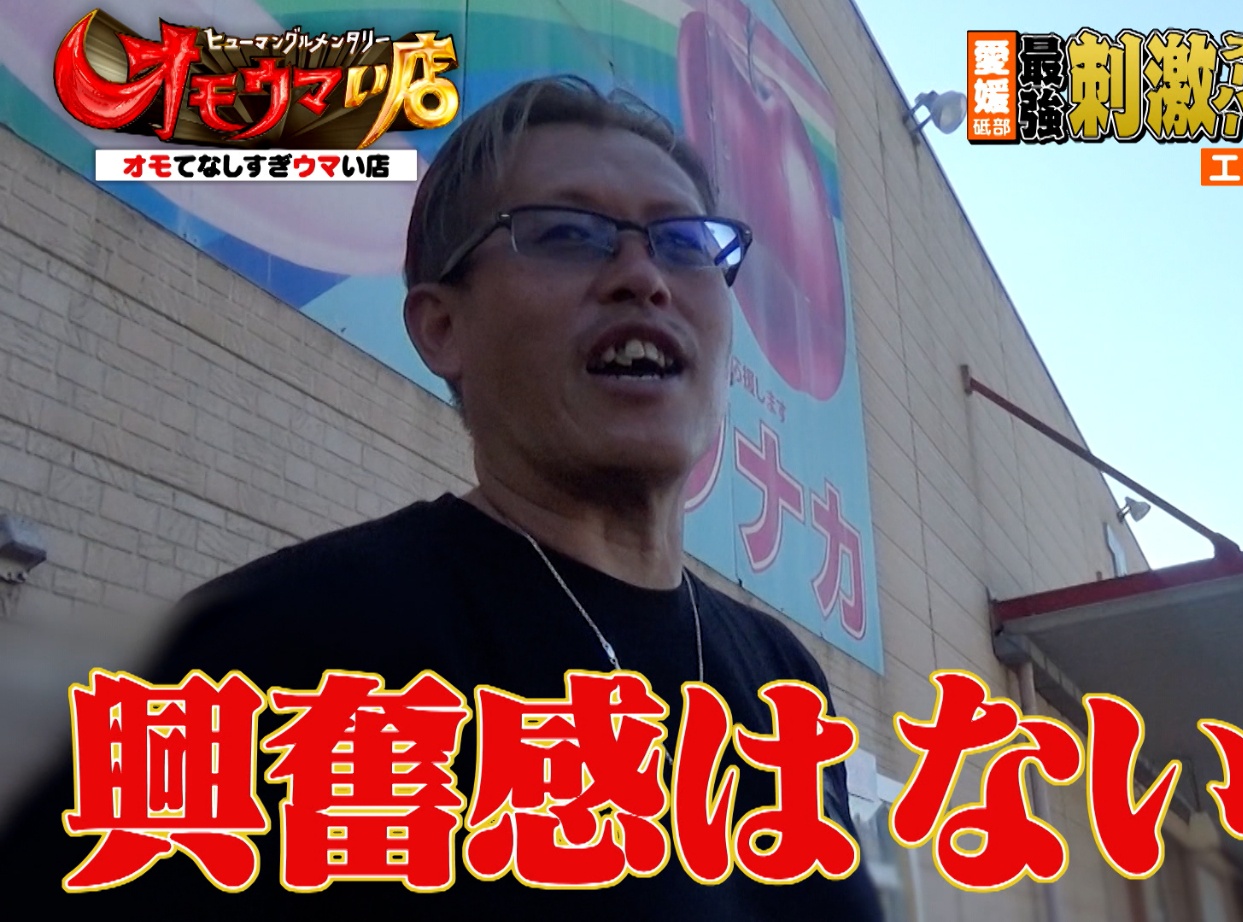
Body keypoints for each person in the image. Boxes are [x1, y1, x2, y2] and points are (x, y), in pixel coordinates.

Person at [0, 75, 884, 920]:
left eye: (683, 242)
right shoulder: (269, 656)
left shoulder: (780, 678)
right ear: (441, 327)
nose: (642, 276)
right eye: (567, 233)